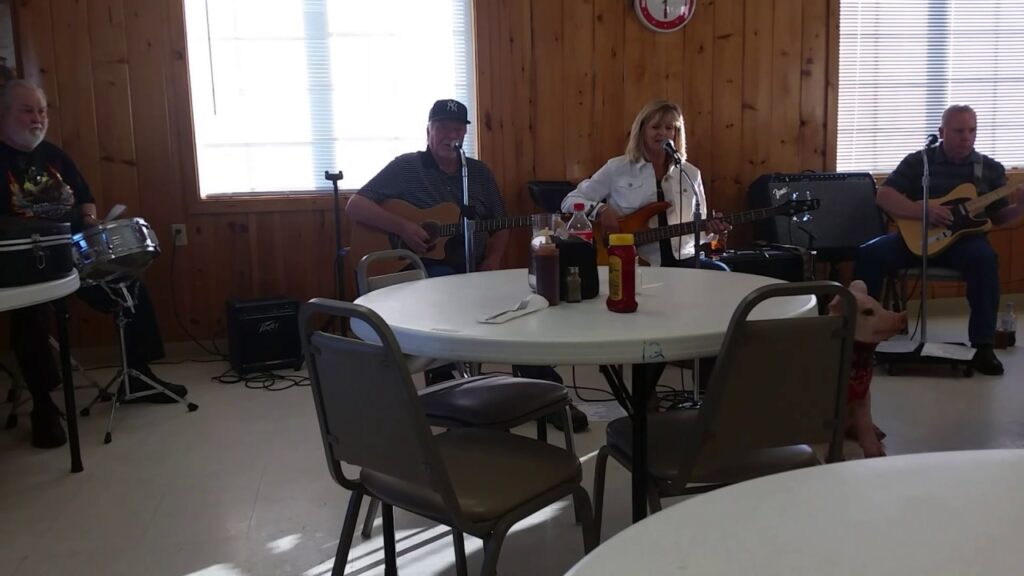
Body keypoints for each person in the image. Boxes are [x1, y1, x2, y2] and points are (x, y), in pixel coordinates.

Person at [347, 98, 587, 431]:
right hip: (424, 272)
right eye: (443, 127)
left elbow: (500, 223)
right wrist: (404, 228)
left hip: (475, 269)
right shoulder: (406, 168)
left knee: (522, 307)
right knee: (442, 297)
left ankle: (546, 391)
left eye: (458, 127)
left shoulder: (477, 174)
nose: (451, 134)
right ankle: (447, 393)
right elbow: (356, 206)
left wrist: (492, 259)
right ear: (428, 131)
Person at [0, 79, 188, 449]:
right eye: (27, 110)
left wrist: (90, 220)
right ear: (4, 113)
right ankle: (43, 405)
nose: (37, 118)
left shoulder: (54, 155)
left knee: (128, 282)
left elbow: (85, 199)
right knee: (31, 315)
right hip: (19, 268)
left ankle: (138, 377)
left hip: (70, 257)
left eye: (42, 110)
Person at [854, 104, 1024, 376]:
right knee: (869, 254)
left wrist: (1020, 208)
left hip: (965, 244)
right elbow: (884, 196)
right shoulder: (919, 161)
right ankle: (860, 341)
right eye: (959, 131)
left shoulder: (990, 169)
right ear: (942, 131)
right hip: (916, 237)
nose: (967, 137)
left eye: (972, 130)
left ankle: (982, 346)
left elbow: (1000, 218)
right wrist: (925, 211)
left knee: (985, 259)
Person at [561, 99, 731, 269]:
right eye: (655, 127)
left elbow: (698, 233)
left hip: (684, 262)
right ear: (641, 131)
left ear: (676, 133)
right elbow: (569, 201)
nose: (663, 133)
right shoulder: (617, 168)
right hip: (634, 262)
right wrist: (600, 211)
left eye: (669, 128)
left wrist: (711, 231)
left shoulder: (691, 173)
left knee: (722, 271)